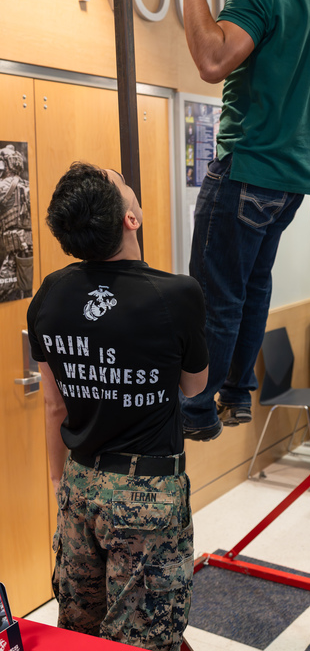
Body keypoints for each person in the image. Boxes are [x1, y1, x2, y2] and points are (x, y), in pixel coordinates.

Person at [27, 162, 209, 649]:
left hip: (79, 485)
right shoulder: (178, 294)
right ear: (132, 219)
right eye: (124, 184)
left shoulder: (50, 293)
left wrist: (59, 481)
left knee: (81, 632)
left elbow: (53, 405)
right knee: (145, 638)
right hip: (146, 495)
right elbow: (193, 387)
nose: (128, 184)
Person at [176, 0, 310, 439]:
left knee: (214, 298)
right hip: (290, 181)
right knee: (250, 289)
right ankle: (237, 392)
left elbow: (212, 61)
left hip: (248, 169)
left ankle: (195, 411)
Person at [0, 143, 33, 302]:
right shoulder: (27, 185)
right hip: (27, 252)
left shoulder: (2, 187)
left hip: (11, 254)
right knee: (25, 291)